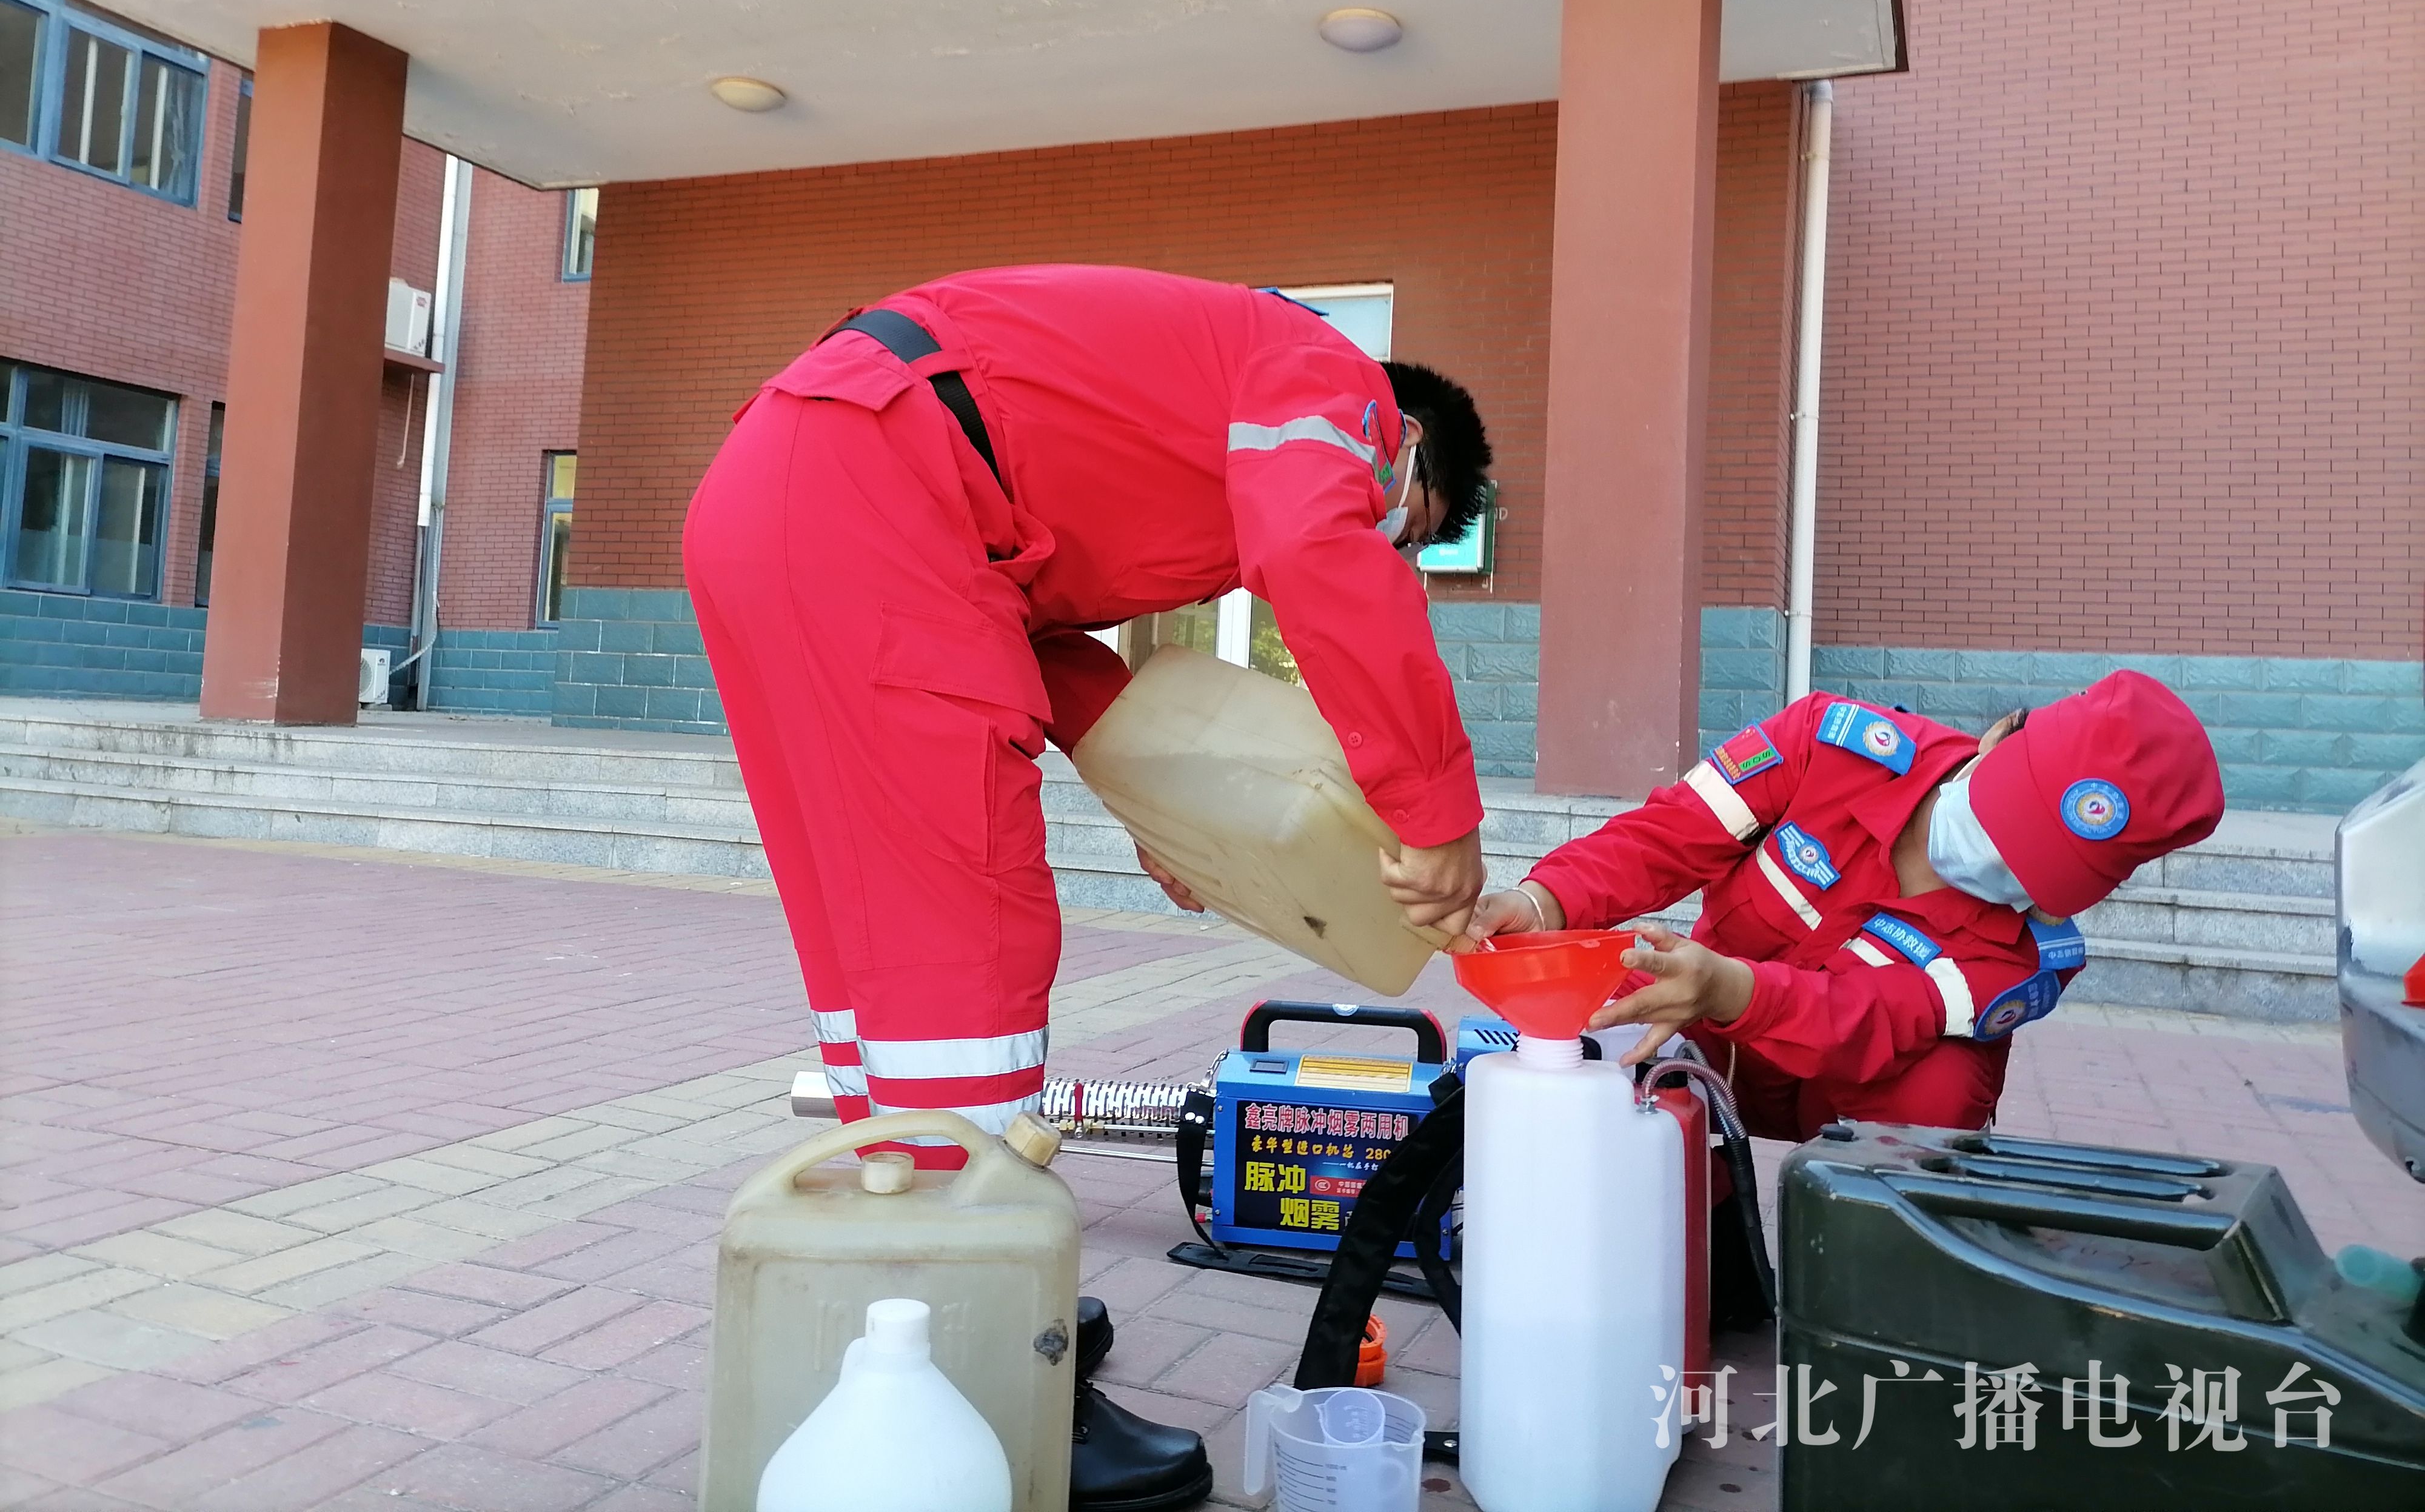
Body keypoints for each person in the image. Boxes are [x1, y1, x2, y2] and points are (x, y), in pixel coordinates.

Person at [683, 265, 1494, 1511]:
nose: (1399, 541)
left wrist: (1177, 812)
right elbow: (1318, 552)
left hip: (787, 496)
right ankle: (976, 1374)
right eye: (1415, 524)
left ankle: (911, 1290)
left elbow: (1040, 630)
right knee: (961, 951)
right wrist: (1437, 813)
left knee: (874, 959)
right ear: (1412, 442)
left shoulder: (1186, 403)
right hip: (879, 501)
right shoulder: (1337, 386)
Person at [1427, 671, 2224, 1140]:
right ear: (1997, 737)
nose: (2001, 863)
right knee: (1584, 984)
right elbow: (1669, 839)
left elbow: (1865, 1020)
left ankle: (1872, 1255)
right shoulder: (1832, 744)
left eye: (2038, 870)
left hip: (1832, 1081)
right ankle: (1701, 1204)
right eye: (2002, 823)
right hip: (1704, 1031)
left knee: (1944, 1087)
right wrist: (1544, 902)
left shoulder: (2028, 959)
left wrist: (1732, 991)